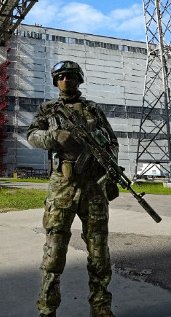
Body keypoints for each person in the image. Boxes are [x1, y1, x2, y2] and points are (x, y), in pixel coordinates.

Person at [28, 60, 119, 317]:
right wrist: (54, 137)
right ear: (56, 81)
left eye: (70, 76)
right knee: (54, 252)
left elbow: (112, 142)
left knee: (99, 252)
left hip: (94, 187)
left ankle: (101, 309)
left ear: (79, 80)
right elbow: (32, 135)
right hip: (62, 186)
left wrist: (108, 164)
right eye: (61, 76)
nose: (66, 80)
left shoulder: (93, 109)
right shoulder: (48, 109)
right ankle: (47, 309)